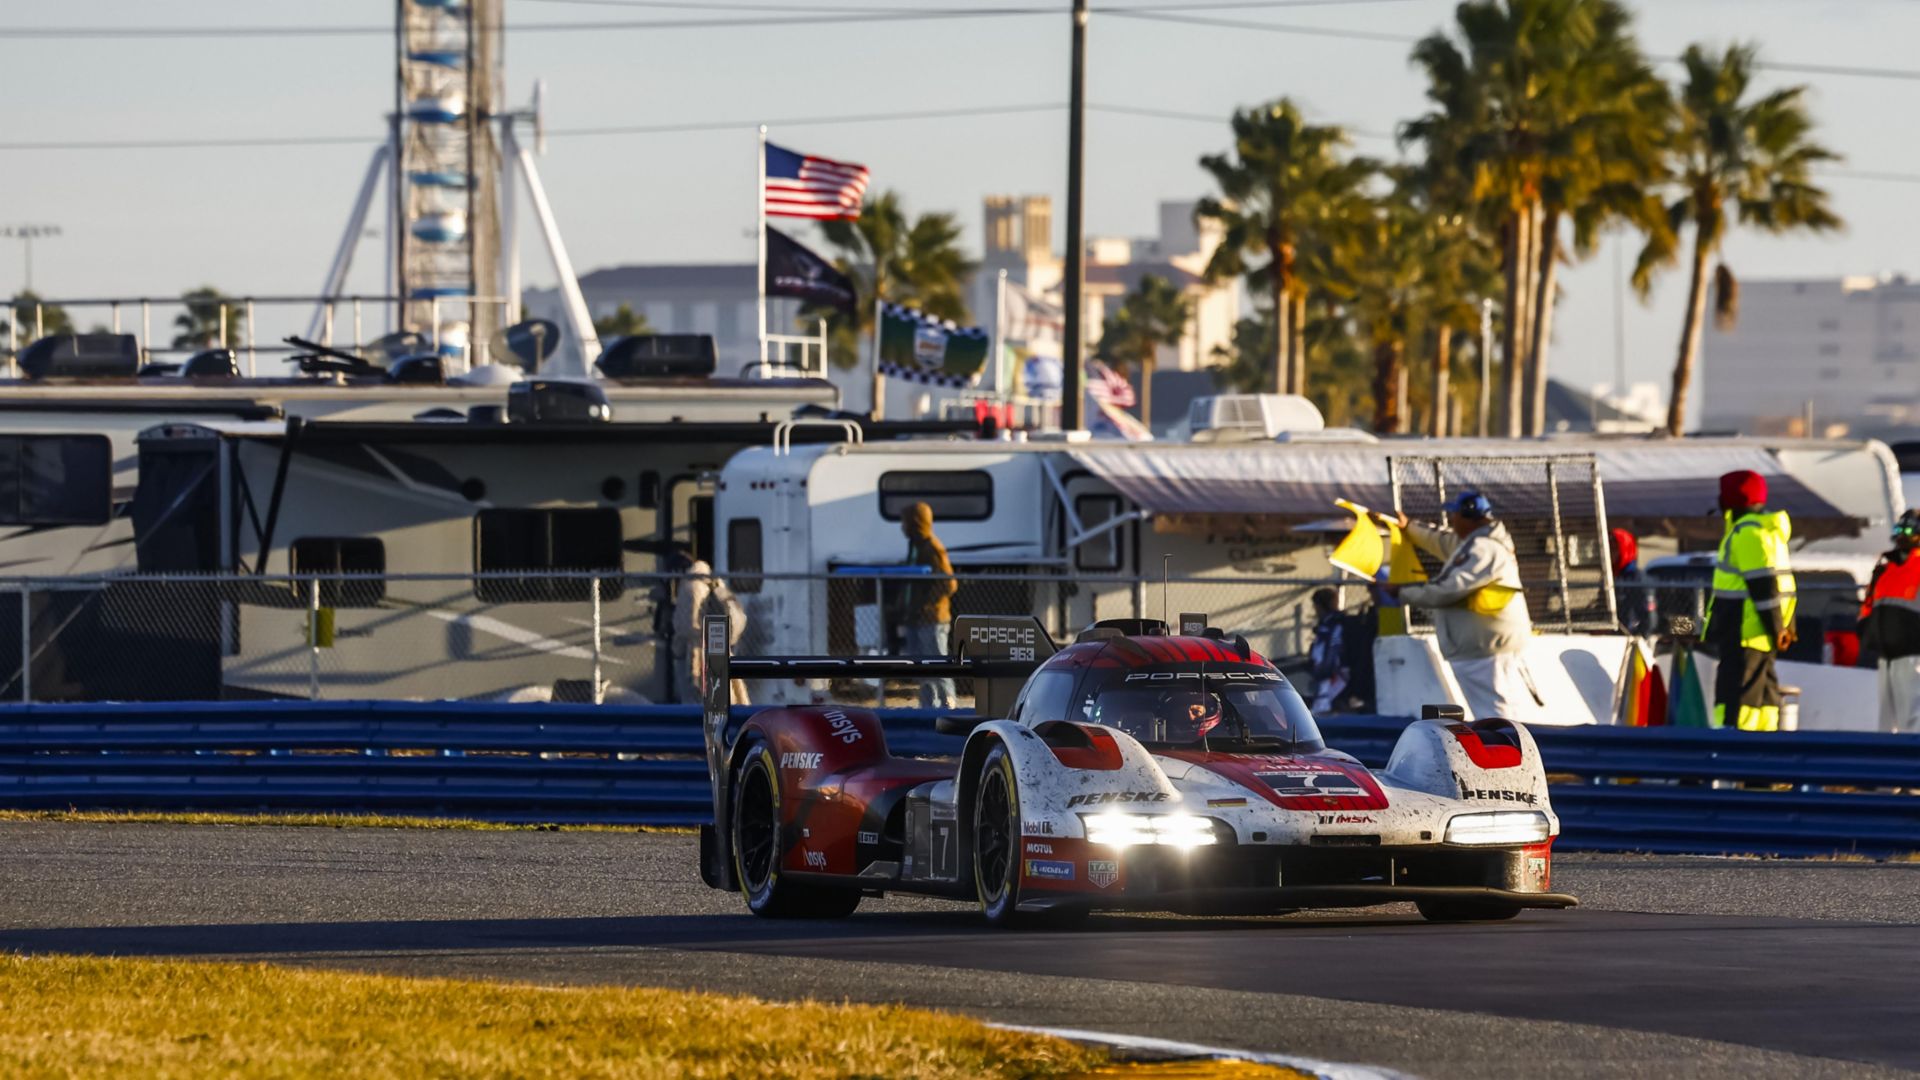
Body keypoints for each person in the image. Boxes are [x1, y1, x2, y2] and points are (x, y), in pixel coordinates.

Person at [1378, 491, 1540, 722]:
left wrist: (1400, 591)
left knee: (1497, 720)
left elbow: (1447, 590)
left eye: (1455, 515)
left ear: (1469, 517)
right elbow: (1442, 541)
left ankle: (1510, 759)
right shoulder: (1477, 542)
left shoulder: (1483, 548)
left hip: (1486, 649)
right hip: (1485, 646)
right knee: (1496, 717)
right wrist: (1409, 527)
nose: (1452, 520)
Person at [1702, 470, 1797, 732]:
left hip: (1743, 635)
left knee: (1736, 705)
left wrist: (1777, 629)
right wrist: (1784, 629)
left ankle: (1731, 761)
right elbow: (1782, 587)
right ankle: (1761, 765)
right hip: (1760, 637)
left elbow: (1764, 589)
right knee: (1763, 705)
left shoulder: (1747, 535)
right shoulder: (1770, 533)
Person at [1859, 509, 1920, 733]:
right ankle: (1886, 765)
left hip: (1913, 656)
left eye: (1909, 529)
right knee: (1886, 723)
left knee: (1913, 720)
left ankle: (1913, 764)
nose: (1902, 534)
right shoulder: (1885, 568)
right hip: (1887, 655)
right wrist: (1865, 630)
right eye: (1899, 529)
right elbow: (1869, 604)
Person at [900, 501, 960, 709]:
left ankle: (948, 705)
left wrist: (927, 605)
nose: (902, 527)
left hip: (932, 619)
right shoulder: (915, 547)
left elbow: (948, 583)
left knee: (938, 664)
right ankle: (927, 706)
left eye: (905, 521)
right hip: (915, 619)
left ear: (916, 522)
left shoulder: (932, 548)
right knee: (922, 668)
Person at [670, 548, 748, 707]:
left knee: (696, 699)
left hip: (698, 652)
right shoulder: (713, 580)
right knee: (726, 697)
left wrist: (676, 647)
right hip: (719, 645)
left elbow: (687, 626)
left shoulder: (690, 585)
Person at [1307, 588, 1349, 713]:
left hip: (1334, 676)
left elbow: (1331, 652)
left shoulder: (1334, 625)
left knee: (1322, 707)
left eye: (1316, 606)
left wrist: (1322, 670)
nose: (1315, 610)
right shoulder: (1326, 625)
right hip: (1328, 674)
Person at [1610, 526, 1658, 637]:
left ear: (1624, 549)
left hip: (1631, 637)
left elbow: (1649, 616)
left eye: (1614, 549)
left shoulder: (1638, 579)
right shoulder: (1612, 577)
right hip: (1614, 635)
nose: (1611, 554)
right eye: (1609, 549)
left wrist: (1640, 637)